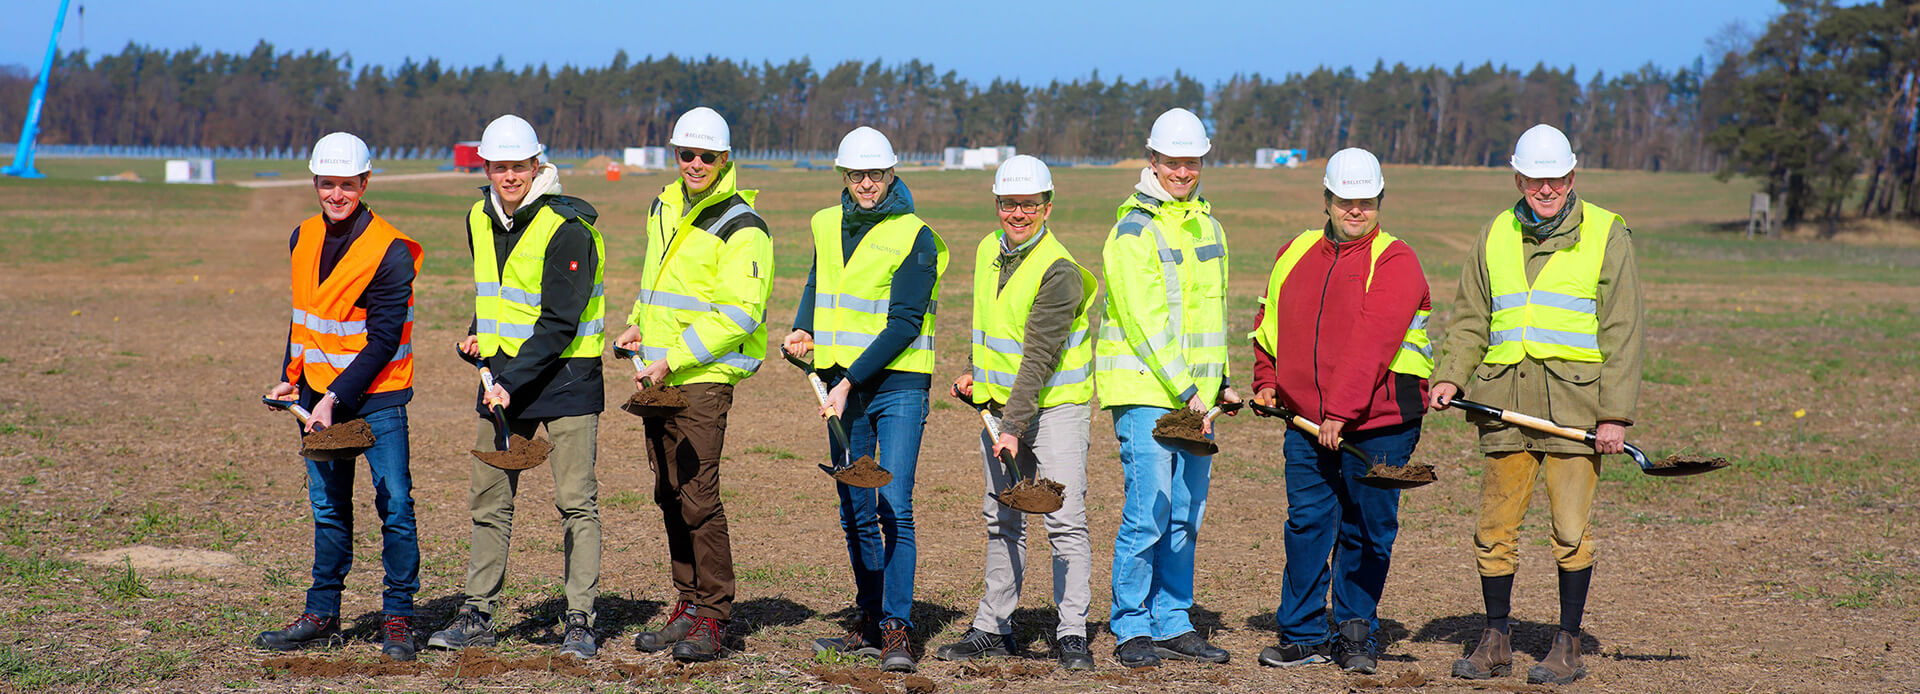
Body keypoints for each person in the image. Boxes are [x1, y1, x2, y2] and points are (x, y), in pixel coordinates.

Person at [1428, 124, 1644, 685]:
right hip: (1503, 402)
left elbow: (1623, 329)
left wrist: (1614, 414)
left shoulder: (1606, 232)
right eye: (1534, 179)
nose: (1545, 189)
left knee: (1570, 531)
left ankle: (1567, 644)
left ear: (1571, 177)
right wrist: (1451, 376)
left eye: (1556, 179)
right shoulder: (1495, 232)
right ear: (1518, 177)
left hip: (1574, 407)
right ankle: (1495, 637)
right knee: (1493, 529)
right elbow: (1472, 316)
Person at [428, 114, 609, 659]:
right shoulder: (478, 217)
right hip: (505, 379)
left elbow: (559, 321)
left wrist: (506, 379)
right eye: (499, 167)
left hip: (567, 379)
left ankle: (579, 618)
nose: (510, 176)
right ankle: (476, 611)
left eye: (519, 167)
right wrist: (475, 335)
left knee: (575, 501)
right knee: (489, 499)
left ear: (538, 165)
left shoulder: (568, 227)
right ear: (485, 167)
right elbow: (496, 296)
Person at [1248, 148, 1432, 674]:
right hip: (1306, 423)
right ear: (1326, 199)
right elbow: (1269, 320)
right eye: (1346, 200)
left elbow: (1374, 340)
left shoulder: (1396, 260)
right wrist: (1266, 381)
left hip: (1378, 426)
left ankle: (1355, 633)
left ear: (1379, 201)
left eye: (1367, 201)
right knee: (1307, 523)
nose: (1357, 210)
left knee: (1366, 527)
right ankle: (1302, 633)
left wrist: (1341, 413)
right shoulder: (1295, 250)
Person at [783, 126, 949, 673]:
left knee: (892, 505)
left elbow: (903, 323)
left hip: (896, 387)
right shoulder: (825, 224)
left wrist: (849, 379)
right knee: (854, 509)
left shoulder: (917, 236)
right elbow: (817, 282)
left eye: (876, 174)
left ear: (893, 174)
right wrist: (803, 329)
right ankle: (871, 618)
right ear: (843, 176)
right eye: (856, 174)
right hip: (840, 383)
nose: (866, 184)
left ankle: (898, 628)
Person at [254, 132, 424, 661]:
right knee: (328, 509)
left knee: (394, 505)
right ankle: (322, 614)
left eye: (346, 184)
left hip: (378, 397)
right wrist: (291, 375)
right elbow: (304, 314)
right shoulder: (301, 237)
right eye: (326, 184)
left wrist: (332, 397)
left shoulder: (391, 251)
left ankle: (398, 617)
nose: (336, 194)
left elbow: (383, 338)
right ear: (315, 183)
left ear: (365, 183)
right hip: (315, 394)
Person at [614, 107, 773, 662]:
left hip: (701, 379)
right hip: (658, 376)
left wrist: (674, 358)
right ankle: (686, 603)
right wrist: (638, 320)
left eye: (708, 156)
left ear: (726, 158)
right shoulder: (665, 205)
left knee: (698, 496)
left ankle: (713, 617)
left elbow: (739, 314)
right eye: (688, 154)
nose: (697, 164)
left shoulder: (742, 225)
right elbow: (657, 281)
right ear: (674, 153)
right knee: (667, 492)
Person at [936, 155, 1098, 671]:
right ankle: (993, 625)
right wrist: (971, 369)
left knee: (1063, 520)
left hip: (1053, 409)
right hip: (1001, 409)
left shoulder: (1060, 272)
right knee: (1001, 516)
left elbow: (1037, 358)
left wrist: (1011, 428)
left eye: (1030, 204)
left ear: (1048, 207)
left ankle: (1071, 632)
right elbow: (988, 325)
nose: (1019, 213)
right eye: (1010, 203)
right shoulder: (988, 249)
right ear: (997, 204)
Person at [1094, 107, 1240, 668]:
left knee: (1186, 512)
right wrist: (1187, 388)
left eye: (1192, 162)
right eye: (1173, 162)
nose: (1183, 172)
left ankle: (1173, 621)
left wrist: (1220, 381)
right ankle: (1131, 625)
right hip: (1147, 391)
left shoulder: (1210, 225)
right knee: (1149, 510)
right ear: (1151, 161)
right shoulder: (1132, 231)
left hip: (1195, 397)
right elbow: (1144, 321)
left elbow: (1213, 315)